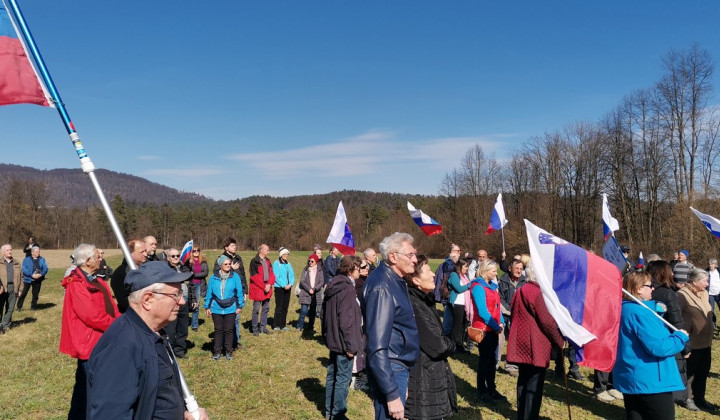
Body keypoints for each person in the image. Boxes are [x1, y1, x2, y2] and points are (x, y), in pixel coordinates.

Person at [87, 261, 209, 419]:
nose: (182, 301)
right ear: (148, 300)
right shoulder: (120, 349)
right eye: (175, 295)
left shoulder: (155, 332)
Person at [612, 271, 689, 420]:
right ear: (639, 288)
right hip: (651, 381)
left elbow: (643, 333)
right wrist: (680, 337)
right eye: (650, 285)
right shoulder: (640, 313)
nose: (653, 289)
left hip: (633, 377)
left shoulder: (625, 309)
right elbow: (659, 347)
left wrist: (655, 311)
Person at [363, 232, 420, 420]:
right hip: (391, 366)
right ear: (393, 257)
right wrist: (392, 392)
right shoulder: (382, 287)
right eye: (410, 255)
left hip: (397, 366)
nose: (415, 260)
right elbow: (377, 346)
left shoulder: (395, 280)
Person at [60, 244, 119, 419]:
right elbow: (93, 317)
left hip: (101, 340)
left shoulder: (97, 280)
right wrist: (119, 325)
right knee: (87, 390)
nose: (101, 258)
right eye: (97, 256)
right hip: (89, 344)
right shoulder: (77, 284)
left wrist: (121, 319)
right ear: (87, 261)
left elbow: (111, 308)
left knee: (91, 388)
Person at [506, 262, 564, 420]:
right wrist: (561, 342)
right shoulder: (538, 293)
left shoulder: (521, 290)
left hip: (522, 342)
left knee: (523, 381)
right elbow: (548, 322)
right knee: (534, 386)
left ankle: (522, 415)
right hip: (536, 345)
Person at [403, 255, 457, 420]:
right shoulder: (416, 305)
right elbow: (438, 346)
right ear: (416, 280)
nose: (434, 274)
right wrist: (453, 342)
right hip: (423, 381)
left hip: (429, 375)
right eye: (428, 270)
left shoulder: (424, 301)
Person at [322, 255, 364, 420]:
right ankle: (338, 414)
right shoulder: (346, 289)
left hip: (333, 339)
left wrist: (327, 335)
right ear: (351, 269)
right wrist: (351, 346)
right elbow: (347, 321)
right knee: (342, 379)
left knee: (333, 375)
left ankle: (329, 412)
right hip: (343, 342)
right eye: (358, 268)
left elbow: (324, 314)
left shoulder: (334, 284)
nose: (360, 272)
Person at [646, 260, 690, 408]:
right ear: (663, 273)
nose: (672, 273)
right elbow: (676, 321)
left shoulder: (644, 290)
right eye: (670, 271)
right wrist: (685, 346)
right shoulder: (667, 293)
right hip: (667, 340)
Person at [678, 268, 716, 412]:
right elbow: (676, 318)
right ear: (694, 282)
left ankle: (700, 398)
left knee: (703, 372)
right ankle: (688, 398)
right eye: (704, 281)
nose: (707, 284)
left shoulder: (705, 293)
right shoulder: (682, 295)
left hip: (705, 342)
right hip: (692, 343)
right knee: (690, 373)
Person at [469, 259, 505, 403]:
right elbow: (483, 312)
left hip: (494, 329)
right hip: (484, 330)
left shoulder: (492, 286)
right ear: (485, 271)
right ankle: (482, 390)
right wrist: (496, 327)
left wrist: (501, 321)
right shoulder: (478, 287)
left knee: (492, 361)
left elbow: (497, 306)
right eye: (494, 271)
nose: (496, 273)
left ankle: (491, 388)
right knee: (485, 361)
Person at [205, 255, 245, 360]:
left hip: (231, 307)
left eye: (229, 264)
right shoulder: (213, 277)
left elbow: (239, 292)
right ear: (220, 265)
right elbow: (209, 293)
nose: (228, 266)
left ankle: (228, 351)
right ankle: (217, 351)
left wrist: (240, 305)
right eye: (225, 264)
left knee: (229, 330)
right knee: (218, 330)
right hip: (216, 307)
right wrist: (207, 307)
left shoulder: (235, 276)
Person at [214, 237, 248, 346]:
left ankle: (235, 341)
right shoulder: (221, 259)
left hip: (238, 292)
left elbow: (243, 275)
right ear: (226, 247)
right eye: (232, 245)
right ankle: (225, 341)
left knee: (236, 318)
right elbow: (216, 274)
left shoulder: (238, 258)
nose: (235, 247)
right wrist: (231, 268)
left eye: (235, 245)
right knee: (228, 319)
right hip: (226, 293)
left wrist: (245, 290)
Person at [164, 248, 195, 358]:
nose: (176, 258)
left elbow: (191, 285)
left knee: (183, 328)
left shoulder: (184, 268)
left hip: (185, 301)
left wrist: (193, 299)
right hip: (172, 303)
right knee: (171, 329)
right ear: (168, 258)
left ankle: (180, 350)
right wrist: (181, 280)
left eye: (177, 256)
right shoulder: (165, 270)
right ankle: (170, 351)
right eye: (173, 256)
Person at [497, 258, 527, 376]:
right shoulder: (502, 281)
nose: (519, 271)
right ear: (510, 268)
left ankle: (512, 366)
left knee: (514, 342)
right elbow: (500, 299)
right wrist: (510, 311)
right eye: (517, 268)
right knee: (500, 340)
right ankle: (495, 363)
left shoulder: (525, 282)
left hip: (519, 317)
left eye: (521, 269)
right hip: (504, 315)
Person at [110, 238, 148, 313]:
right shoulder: (120, 274)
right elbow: (124, 302)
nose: (146, 254)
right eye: (142, 252)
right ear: (130, 253)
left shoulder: (147, 268)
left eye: (146, 251)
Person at [249, 244, 275, 336]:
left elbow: (272, 274)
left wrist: (269, 284)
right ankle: (255, 328)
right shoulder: (254, 261)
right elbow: (254, 277)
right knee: (256, 309)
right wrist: (264, 286)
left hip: (267, 288)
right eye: (267, 250)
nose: (269, 252)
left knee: (266, 308)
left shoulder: (268, 261)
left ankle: (263, 327)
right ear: (261, 250)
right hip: (258, 289)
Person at [435, 244, 460, 336]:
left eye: (459, 251)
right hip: (447, 294)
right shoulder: (447, 263)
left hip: (455, 293)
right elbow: (449, 269)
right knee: (448, 318)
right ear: (451, 253)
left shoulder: (456, 262)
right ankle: (446, 336)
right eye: (456, 251)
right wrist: (452, 260)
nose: (458, 253)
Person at [447, 257, 472, 353]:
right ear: (460, 266)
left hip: (465, 304)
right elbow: (459, 288)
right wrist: (470, 285)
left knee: (463, 325)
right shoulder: (454, 275)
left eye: (467, 267)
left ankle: (460, 344)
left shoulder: (465, 276)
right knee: (457, 325)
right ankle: (453, 345)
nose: (467, 269)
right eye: (465, 267)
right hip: (457, 303)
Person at [297, 253, 324, 334]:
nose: (310, 263)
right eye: (309, 261)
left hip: (316, 294)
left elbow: (321, 282)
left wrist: (315, 289)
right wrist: (309, 289)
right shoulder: (305, 270)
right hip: (305, 292)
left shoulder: (320, 270)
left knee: (312, 312)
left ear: (316, 261)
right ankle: (299, 326)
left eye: (312, 261)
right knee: (304, 311)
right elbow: (302, 281)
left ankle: (310, 327)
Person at [17, 246, 48, 310]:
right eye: (37, 251)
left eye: (39, 251)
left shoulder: (42, 259)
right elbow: (24, 268)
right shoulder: (26, 259)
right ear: (32, 252)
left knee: (35, 294)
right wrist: (31, 275)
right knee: (23, 293)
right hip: (28, 279)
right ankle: (19, 307)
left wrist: (41, 274)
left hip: (38, 279)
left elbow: (45, 268)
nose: (38, 253)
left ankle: (33, 307)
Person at [185, 246, 209, 332]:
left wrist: (193, 274)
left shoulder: (203, 261)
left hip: (199, 285)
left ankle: (194, 325)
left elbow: (205, 273)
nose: (196, 252)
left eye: (197, 250)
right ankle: (185, 323)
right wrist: (189, 264)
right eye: (194, 250)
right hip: (189, 285)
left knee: (196, 305)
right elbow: (185, 272)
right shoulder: (188, 261)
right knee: (187, 304)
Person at [272, 247, 295, 331]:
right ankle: (276, 324)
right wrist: (283, 285)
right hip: (279, 288)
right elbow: (275, 276)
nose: (286, 256)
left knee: (285, 307)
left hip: (288, 288)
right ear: (281, 255)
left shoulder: (288, 264)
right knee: (279, 306)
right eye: (285, 254)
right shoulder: (276, 263)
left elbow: (292, 275)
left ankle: (283, 324)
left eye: (287, 254)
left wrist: (290, 284)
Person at [0, 244, 20, 334]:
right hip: (2, 288)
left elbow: (22, 277)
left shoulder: (17, 262)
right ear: (2, 252)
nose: (10, 251)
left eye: (11, 249)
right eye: (7, 250)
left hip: (13, 287)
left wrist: (21, 290)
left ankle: (6, 325)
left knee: (10, 308)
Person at [706, 259, 720, 327]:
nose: (710, 265)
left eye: (712, 264)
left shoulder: (718, 272)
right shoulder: (706, 272)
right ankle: (713, 324)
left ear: (715, 264)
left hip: (718, 293)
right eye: (709, 264)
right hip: (710, 294)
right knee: (711, 310)